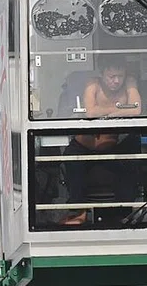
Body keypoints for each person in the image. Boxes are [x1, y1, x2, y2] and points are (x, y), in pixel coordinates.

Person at [60, 56, 142, 225]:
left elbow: (136, 109)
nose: (116, 81)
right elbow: (90, 112)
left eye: (120, 76)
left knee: (131, 157)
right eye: (111, 76)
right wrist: (120, 109)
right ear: (102, 74)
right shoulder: (93, 84)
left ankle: (123, 211)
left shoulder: (129, 82)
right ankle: (77, 211)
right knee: (71, 160)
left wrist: (107, 113)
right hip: (85, 144)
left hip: (113, 144)